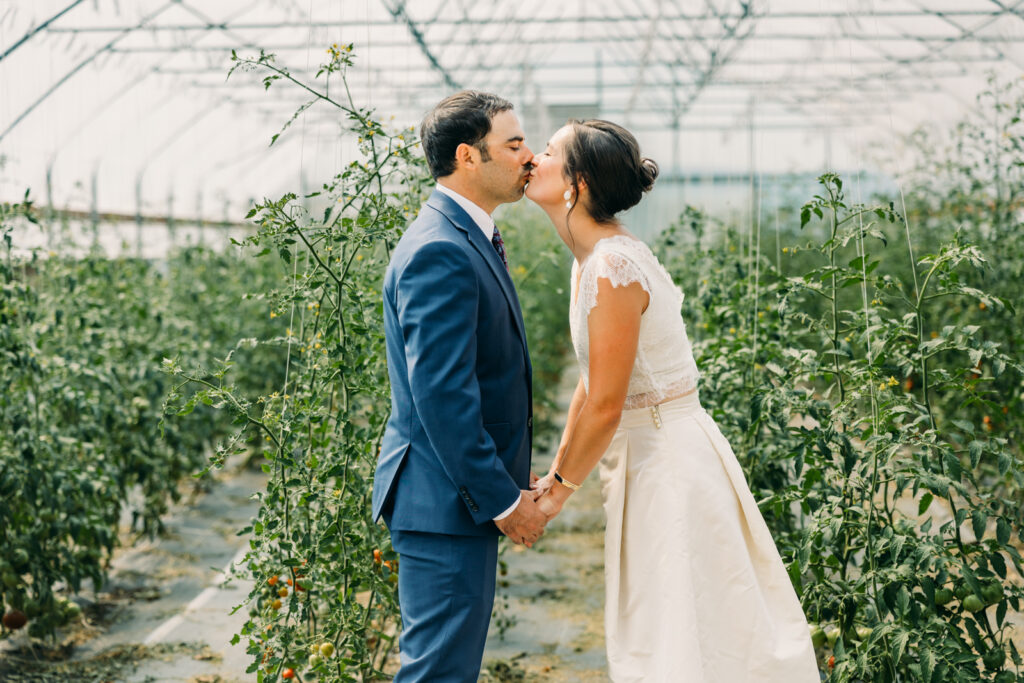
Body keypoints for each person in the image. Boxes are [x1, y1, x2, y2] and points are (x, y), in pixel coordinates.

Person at [524, 119, 820, 682]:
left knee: (686, 625)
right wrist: (556, 468)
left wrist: (556, 497)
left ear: (577, 183)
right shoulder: (590, 259)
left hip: (669, 458)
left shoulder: (610, 265)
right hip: (653, 452)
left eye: (547, 151)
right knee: (676, 622)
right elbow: (592, 377)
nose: (533, 159)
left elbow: (608, 403)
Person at [371, 91, 547, 682]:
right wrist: (502, 501)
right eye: (515, 143)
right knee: (438, 673)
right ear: (469, 156)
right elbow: (443, 397)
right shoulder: (441, 250)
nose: (531, 156)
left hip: (451, 502)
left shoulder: (465, 236)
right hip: (444, 503)